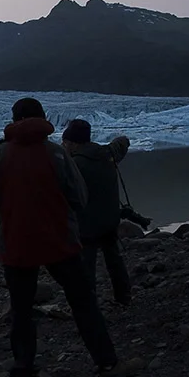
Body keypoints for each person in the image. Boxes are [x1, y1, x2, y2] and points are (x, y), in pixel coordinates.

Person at [0, 98, 121, 377]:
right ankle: (106, 361)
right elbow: (80, 197)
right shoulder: (57, 153)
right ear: (42, 117)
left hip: (16, 242)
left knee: (21, 308)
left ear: (13, 120)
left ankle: (24, 365)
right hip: (60, 240)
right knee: (83, 302)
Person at [61, 119, 132, 306]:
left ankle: (88, 304)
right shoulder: (107, 153)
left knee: (86, 265)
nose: (64, 146)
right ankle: (124, 296)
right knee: (114, 258)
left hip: (87, 225)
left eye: (66, 143)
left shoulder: (74, 164)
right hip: (110, 219)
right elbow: (122, 144)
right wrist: (124, 139)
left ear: (74, 143)